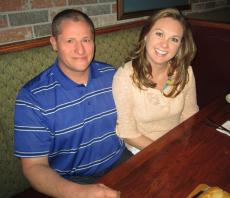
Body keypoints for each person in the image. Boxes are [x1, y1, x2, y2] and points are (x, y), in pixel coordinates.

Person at [14, 9, 132, 198]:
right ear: (54, 43)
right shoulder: (32, 97)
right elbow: (34, 167)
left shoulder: (111, 75)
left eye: (86, 40)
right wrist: (80, 193)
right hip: (73, 182)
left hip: (123, 162)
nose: (81, 50)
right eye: (70, 41)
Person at [112, 8, 199, 154]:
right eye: (159, 34)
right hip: (143, 150)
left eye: (174, 39)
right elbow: (128, 134)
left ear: (180, 46)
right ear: (146, 35)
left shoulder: (185, 72)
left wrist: (187, 145)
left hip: (177, 144)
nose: (164, 45)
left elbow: (190, 115)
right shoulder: (124, 77)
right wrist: (165, 151)